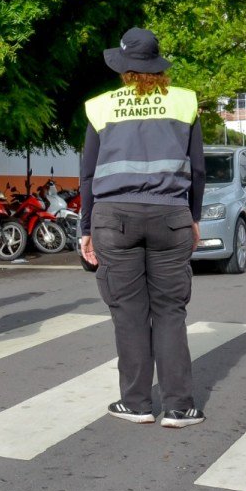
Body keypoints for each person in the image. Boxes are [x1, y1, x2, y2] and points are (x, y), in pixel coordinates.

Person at [79, 28, 207, 428]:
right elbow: (198, 169)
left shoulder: (100, 107)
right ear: (157, 66)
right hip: (171, 214)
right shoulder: (184, 102)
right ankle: (179, 406)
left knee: (129, 313)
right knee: (170, 311)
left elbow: (86, 175)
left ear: (123, 68)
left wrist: (85, 228)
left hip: (113, 218)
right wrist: (194, 217)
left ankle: (136, 403)